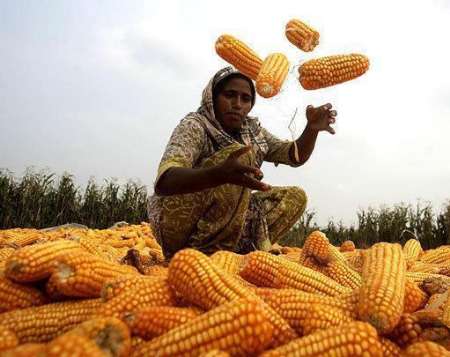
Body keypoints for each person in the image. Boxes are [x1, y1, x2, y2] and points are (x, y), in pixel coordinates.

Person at [147, 66, 337, 259]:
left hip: (225, 226)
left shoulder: (252, 132)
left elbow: (293, 155)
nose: (237, 104)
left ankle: (235, 253)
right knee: (241, 156)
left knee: (296, 197)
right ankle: (204, 255)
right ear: (213, 97)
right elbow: (165, 182)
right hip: (178, 226)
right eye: (230, 95)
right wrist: (216, 175)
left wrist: (311, 129)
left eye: (245, 99)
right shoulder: (196, 125)